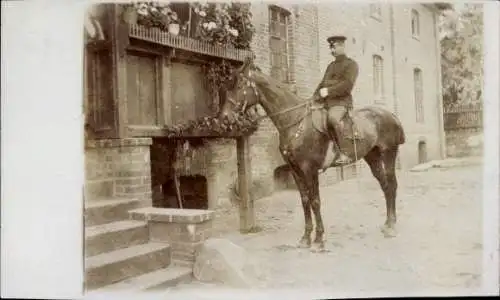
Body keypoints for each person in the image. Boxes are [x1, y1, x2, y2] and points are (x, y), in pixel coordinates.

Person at [312, 35, 359, 165]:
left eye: (334, 47)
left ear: (342, 46)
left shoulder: (351, 65)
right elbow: (322, 84)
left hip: (341, 103)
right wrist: (313, 98)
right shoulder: (330, 66)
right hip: (326, 103)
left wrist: (328, 91)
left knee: (333, 118)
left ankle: (344, 153)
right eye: (330, 47)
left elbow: (347, 86)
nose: (332, 50)